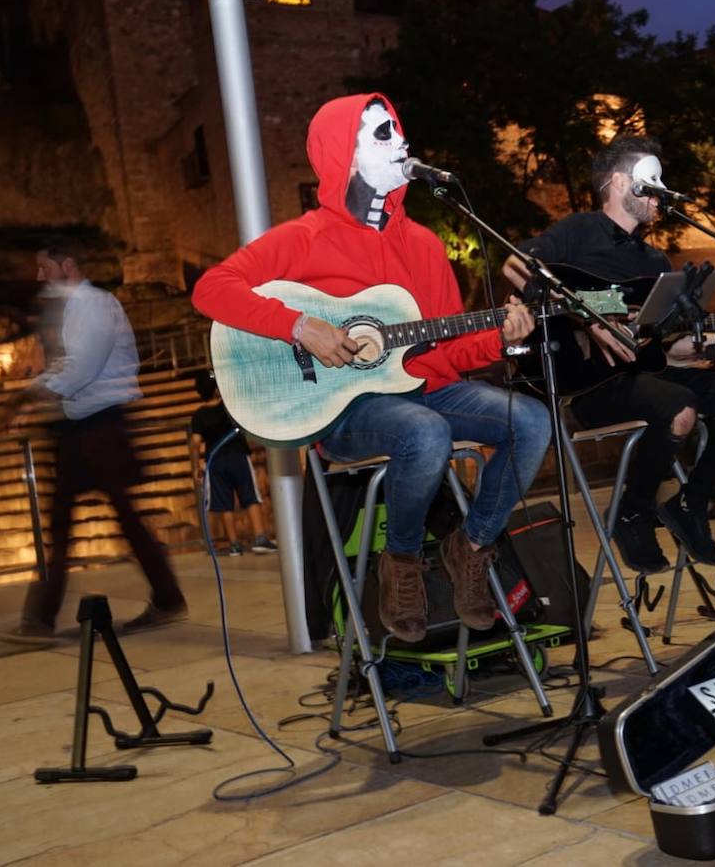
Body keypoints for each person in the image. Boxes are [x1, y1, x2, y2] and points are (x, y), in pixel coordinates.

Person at [193, 93, 549, 642]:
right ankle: (402, 561)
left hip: (422, 391)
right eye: (383, 134)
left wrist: (498, 341)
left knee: (528, 421)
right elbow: (212, 289)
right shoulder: (304, 237)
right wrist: (299, 326)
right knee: (424, 433)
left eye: (399, 130)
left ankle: (472, 546)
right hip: (343, 411)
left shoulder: (426, 245)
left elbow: (441, 353)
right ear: (344, 155)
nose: (401, 142)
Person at [503, 134, 715, 575]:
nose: (660, 194)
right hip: (591, 385)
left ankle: (691, 503)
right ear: (618, 182)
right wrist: (586, 318)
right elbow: (516, 266)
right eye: (652, 182)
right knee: (679, 405)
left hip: (643, 378)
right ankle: (633, 512)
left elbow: (655, 347)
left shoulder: (655, 260)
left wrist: (691, 343)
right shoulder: (579, 232)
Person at [0, 242, 187, 644]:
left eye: (44, 266)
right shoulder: (70, 310)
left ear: (67, 265)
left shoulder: (96, 305)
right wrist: (34, 394)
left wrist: (28, 396)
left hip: (102, 425)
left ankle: (43, 620)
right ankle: (41, 619)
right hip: (78, 428)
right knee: (76, 526)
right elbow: (66, 366)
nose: (38, 276)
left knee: (119, 521)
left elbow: (82, 366)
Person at [189, 373, 277, 556]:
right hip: (238, 457)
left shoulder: (198, 416)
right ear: (216, 389)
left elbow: (195, 442)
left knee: (224, 504)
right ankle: (260, 538)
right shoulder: (228, 406)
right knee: (250, 496)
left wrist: (196, 467)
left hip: (215, 462)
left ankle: (234, 544)